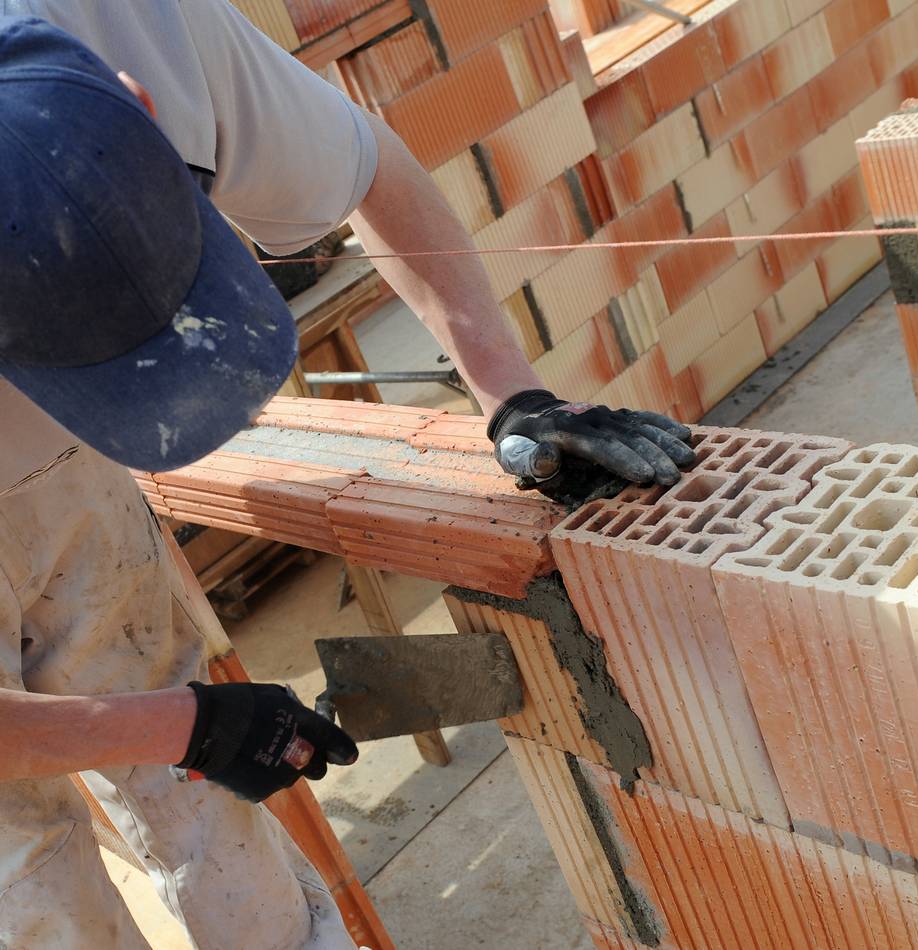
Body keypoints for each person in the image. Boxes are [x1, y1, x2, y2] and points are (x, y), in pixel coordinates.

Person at [0, 5, 694, 948]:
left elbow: (368, 165)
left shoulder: (131, 22)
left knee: (207, 809)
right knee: (31, 888)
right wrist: (180, 727)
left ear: (135, 104)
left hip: (66, 470)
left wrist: (513, 394)